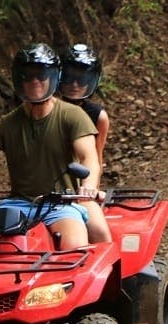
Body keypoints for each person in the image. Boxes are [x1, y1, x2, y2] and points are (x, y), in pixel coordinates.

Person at [0, 43, 102, 249]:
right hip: (16, 204)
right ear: (19, 79)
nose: (35, 82)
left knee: (75, 247)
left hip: (60, 203)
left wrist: (89, 186)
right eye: (28, 76)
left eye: (41, 75)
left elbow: (89, 157)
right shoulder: (8, 123)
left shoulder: (72, 115)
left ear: (53, 78)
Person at [59, 43, 112, 243]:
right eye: (69, 77)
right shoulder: (45, 109)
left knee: (100, 234)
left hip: (78, 189)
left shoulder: (98, 116)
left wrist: (90, 189)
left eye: (82, 79)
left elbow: (95, 158)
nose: (75, 84)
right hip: (45, 188)